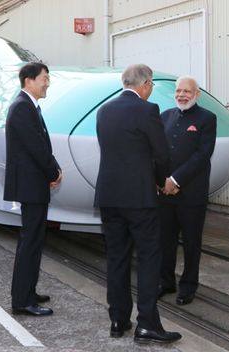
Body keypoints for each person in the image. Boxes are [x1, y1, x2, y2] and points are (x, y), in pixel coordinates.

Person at [94, 64, 182, 344]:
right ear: (144, 84)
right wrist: (160, 180)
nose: (152, 90)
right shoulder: (148, 110)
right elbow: (161, 154)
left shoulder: (103, 110)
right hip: (139, 199)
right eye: (152, 85)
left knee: (117, 258)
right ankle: (147, 324)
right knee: (148, 259)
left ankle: (118, 320)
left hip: (109, 196)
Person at [4, 62, 62, 316]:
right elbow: (36, 148)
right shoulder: (22, 108)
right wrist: (53, 172)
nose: (47, 82)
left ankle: (28, 291)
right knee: (30, 241)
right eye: (44, 78)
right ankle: (22, 301)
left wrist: (54, 168)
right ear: (29, 80)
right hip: (31, 184)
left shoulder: (28, 106)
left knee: (35, 239)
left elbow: (42, 145)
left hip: (34, 183)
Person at [157, 76, 216, 306]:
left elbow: (202, 155)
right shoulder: (165, 116)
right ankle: (165, 281)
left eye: (187, 91)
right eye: (178, 91)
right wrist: (160, 179)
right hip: (164, 192)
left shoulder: (207, 119)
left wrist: (175, 179)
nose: (182, 95)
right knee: (165, 240)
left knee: (191, 243)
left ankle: (188, 286)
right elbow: (158, 151)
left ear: (196, 94)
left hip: (191, 194)